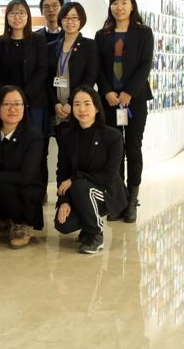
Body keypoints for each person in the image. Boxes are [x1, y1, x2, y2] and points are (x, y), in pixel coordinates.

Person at [95, 0, 154, 224]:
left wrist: (129, 92)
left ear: (132, 6)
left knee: (133, 149)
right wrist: (107, 91)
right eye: (115, 3)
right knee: (114, 150)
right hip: (109, 102)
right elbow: (98, 67)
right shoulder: (102, 35)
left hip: (134, 101)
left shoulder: (143, 33)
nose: (118, 8)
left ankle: (132, 201)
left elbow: (145, 65)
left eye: (123, 3)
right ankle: (117, 200)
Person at [54, 86, 127, 254]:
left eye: (87, 104)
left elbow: (108, 175)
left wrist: (74, 179)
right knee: (63, 224)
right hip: (81, 192)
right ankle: (88, 226)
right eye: (77, 104)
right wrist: (64, 201)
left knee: (79, 186)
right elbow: (62, 171)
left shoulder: (113, 136)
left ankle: (95, 234)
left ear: (96, 108)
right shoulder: (67, 136)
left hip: (107, 192)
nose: (82, 109)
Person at [0, 86, 45, 250]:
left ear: (24, 107)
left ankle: (21, 225)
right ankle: (5, 221)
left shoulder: (33, 137)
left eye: (18, 104)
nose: (13, 109)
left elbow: (26, 176)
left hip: (26, 192)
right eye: (6, 104)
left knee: (3, 187)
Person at [0, 0, 49, 187]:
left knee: (36, 146)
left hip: (34, 103)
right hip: (7, 104)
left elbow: (42, 70)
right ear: (7, 16)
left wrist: (23, 98)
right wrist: (7, 98)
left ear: (28, 16)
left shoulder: (38, 40)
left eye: (21, 13)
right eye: (13, 13)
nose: (17, 17)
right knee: (10, 147)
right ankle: (11, 186)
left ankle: (38, 188)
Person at [48, 2, 98, 130]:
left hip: (79, 107)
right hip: (57, 108)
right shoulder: (51, 47)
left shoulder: (90, 46)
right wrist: (55, 104)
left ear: (81, 20)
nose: (70, 21)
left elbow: (90, 77)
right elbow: (47, 79)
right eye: (66, 17)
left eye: (74, 17)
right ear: (61, 20)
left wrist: (71, 103)